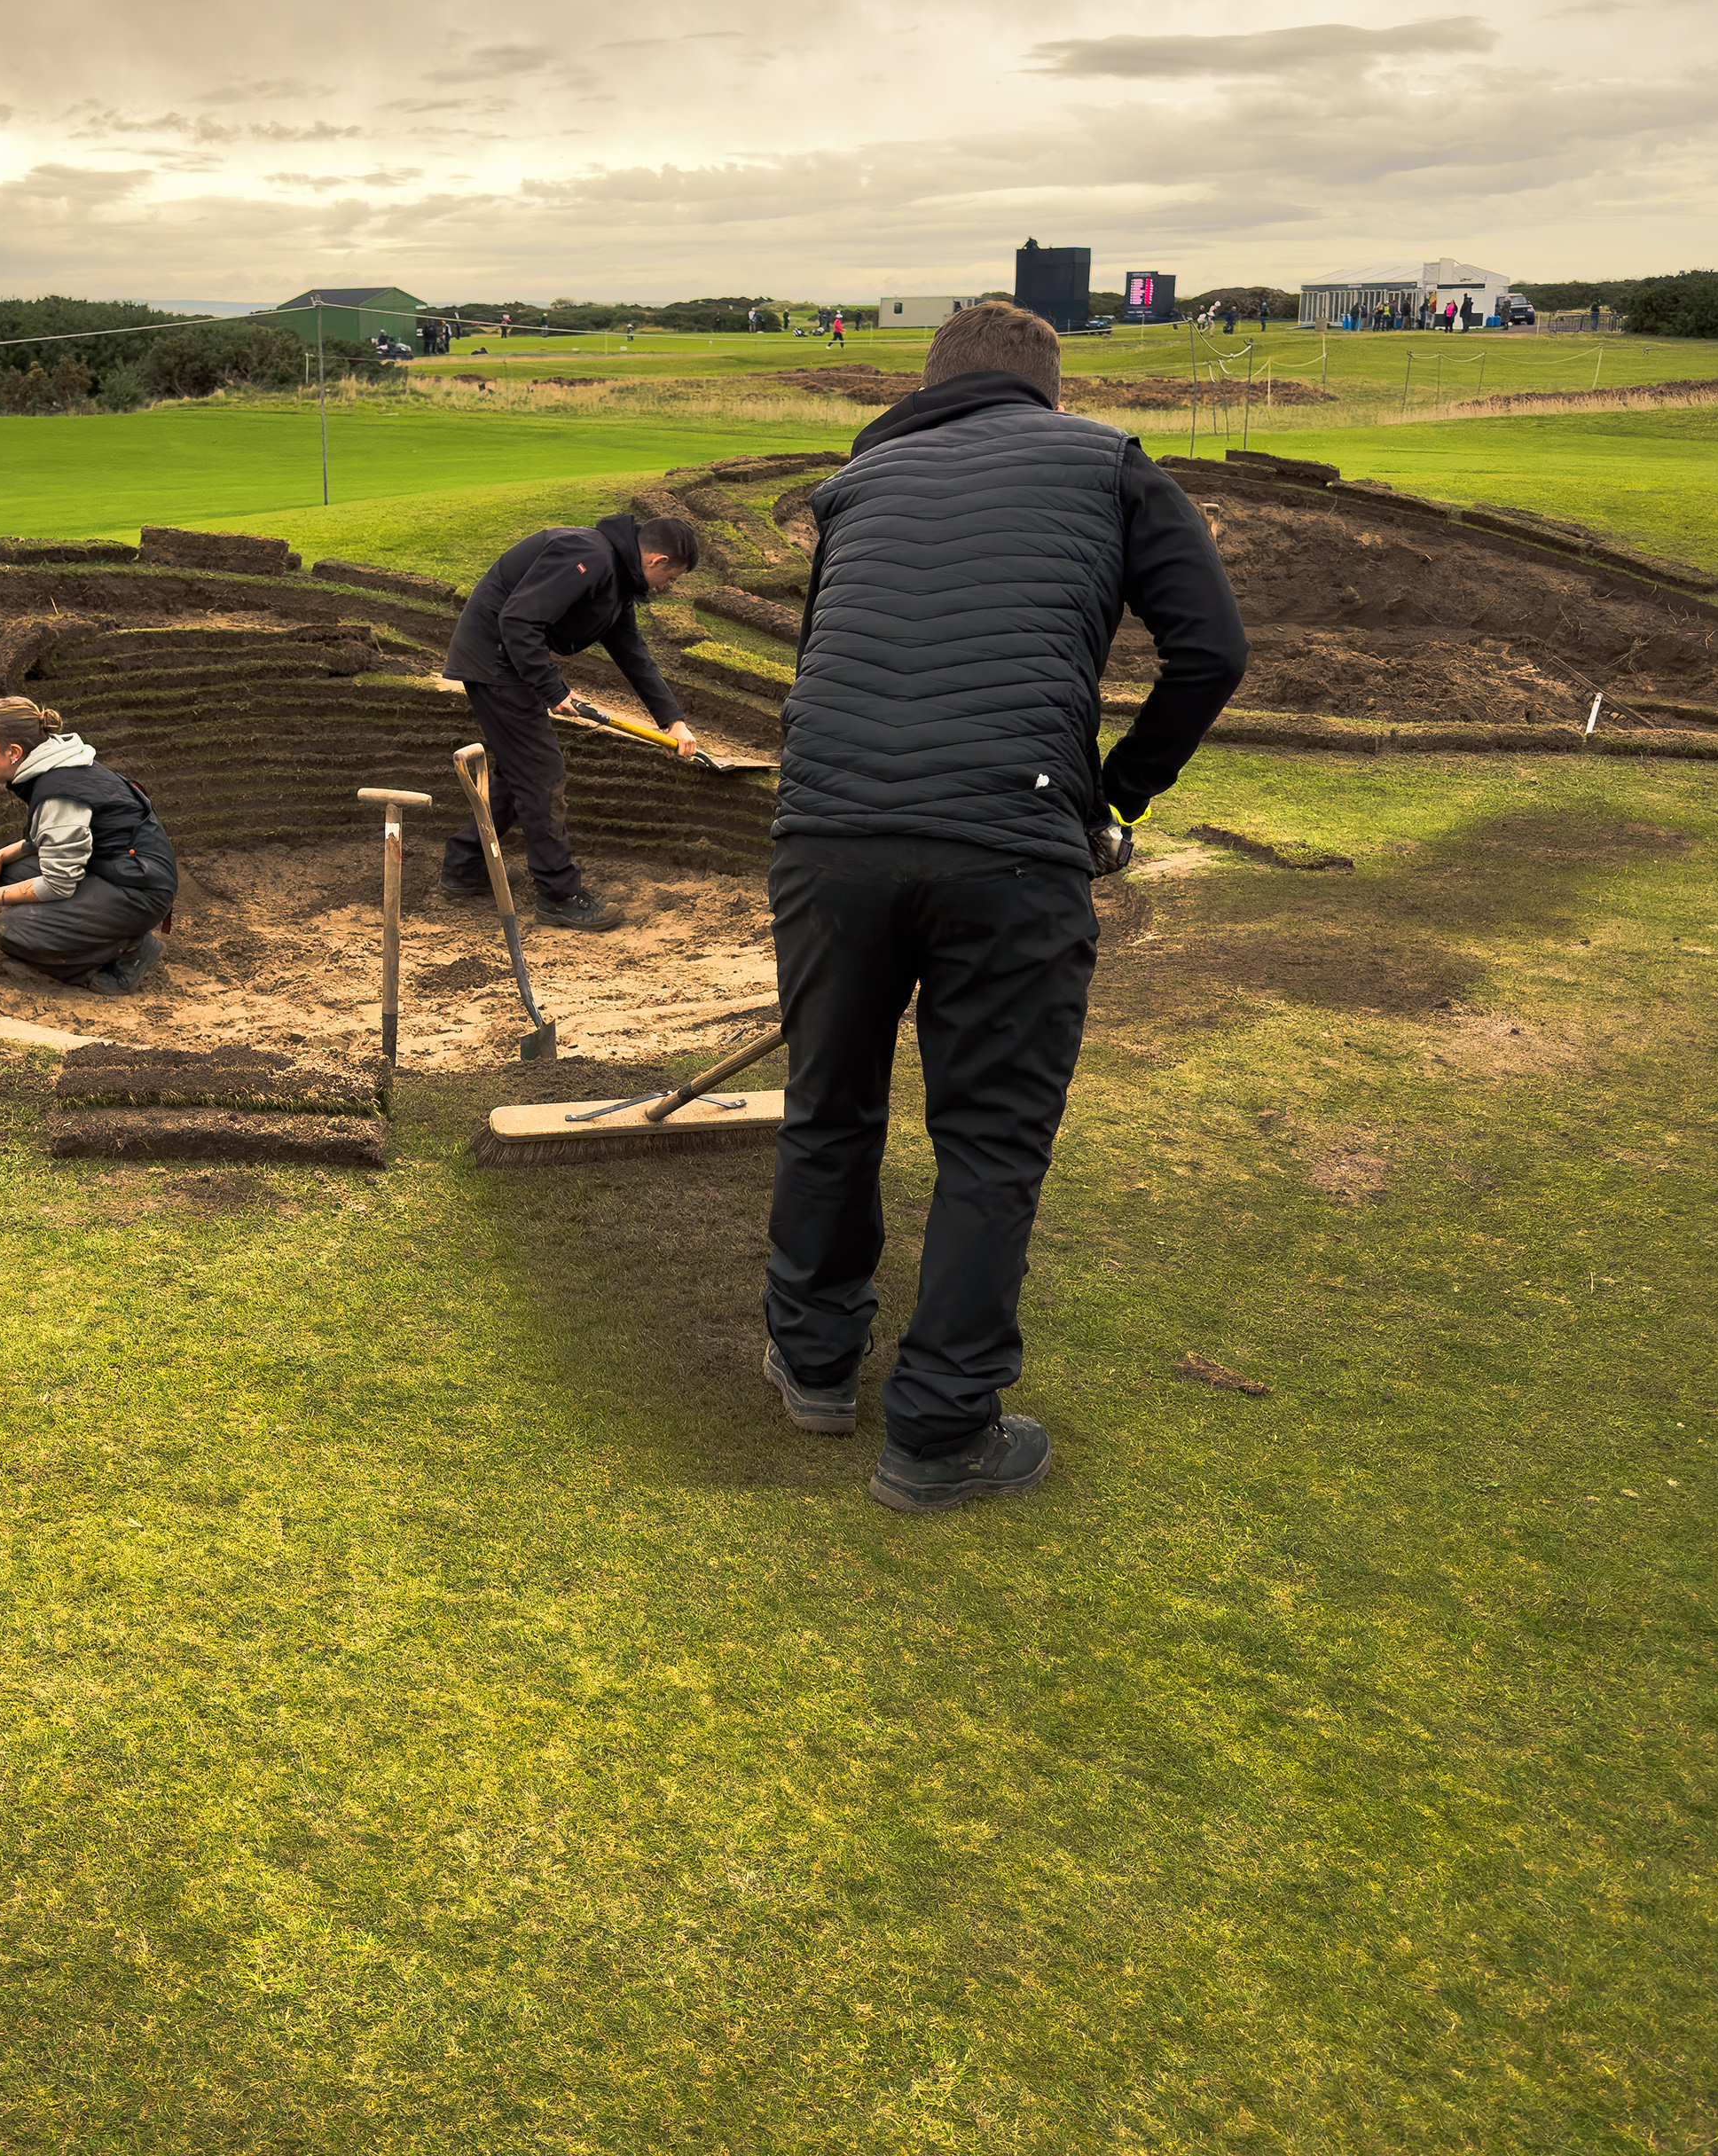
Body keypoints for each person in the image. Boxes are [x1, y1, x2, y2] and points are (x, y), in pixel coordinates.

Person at [759, 299, 1247, 1513]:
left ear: (931, 382)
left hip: (826, 838)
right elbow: (1213, 652)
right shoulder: (1109, 462)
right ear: (1051, 387)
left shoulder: (857, 485)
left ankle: (813, 1362)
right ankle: (936, 1435)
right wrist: (1112, 801)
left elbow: (821, 657)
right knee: (989, 1143)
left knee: (829, 1105)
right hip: (1009, 846)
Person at [440, 510, 702, 933]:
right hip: (495, 661)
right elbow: (518, 620)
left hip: (509, 663)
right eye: (672, 578)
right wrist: (553, 690)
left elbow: (630, 649)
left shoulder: (615, 573)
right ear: (655, 561)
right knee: (542, 773)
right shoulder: (588, 555)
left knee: (521, 770)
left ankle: (465, 866)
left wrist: (672, 719)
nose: (669, 587)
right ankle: (559, 895)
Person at [0, 697, 177, 994]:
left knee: (12, 931)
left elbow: (59, 884)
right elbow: (58, 837)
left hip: (138, 889)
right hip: (118, 868)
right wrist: (2, 854)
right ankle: (111, 934)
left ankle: (126, 952)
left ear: (14, 753)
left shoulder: (57, 793)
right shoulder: (58, 763)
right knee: (11, 871)